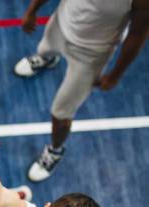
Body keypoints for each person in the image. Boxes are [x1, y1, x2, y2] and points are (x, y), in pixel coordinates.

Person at [13, 0, 149, 182]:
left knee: (60, 114)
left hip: (91, 55)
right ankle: (47, 59)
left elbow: (137, 34)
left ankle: (55, 150)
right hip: (60, 26)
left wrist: (115, 74)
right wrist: (32, 10)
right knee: (44, 49)